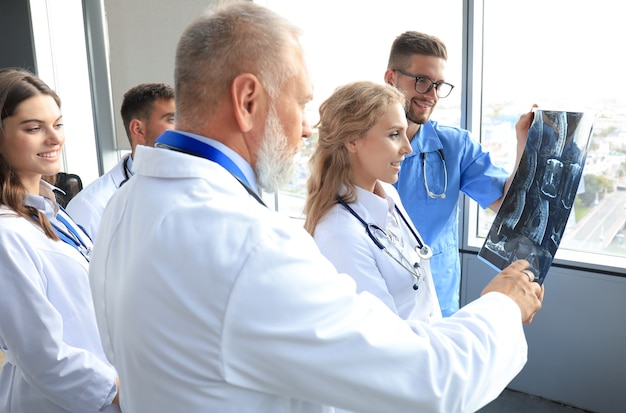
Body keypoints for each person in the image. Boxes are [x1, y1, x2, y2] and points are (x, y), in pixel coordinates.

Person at [88, 2, 544, 413]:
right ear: (248, 100)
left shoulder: (125, 203)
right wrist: (501, 306)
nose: (308, 128)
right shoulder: (251, 246)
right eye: (302, 103)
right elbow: (427, 381)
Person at [384, 31, 535, 316]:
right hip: (380, 299)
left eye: (438, 85)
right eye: (422, 81)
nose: (431, 95)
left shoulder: (455, 146)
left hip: (439, 302)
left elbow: (507, 206)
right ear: (390, 78)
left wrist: (523, 146)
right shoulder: (360, 145)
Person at [0, 68, 120, 412]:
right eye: (34, 128)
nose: (54, 138)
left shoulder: (51, 208)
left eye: (58, 124)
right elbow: (43, 357)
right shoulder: (7, 235)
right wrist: (121, 391)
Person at [304, 81, 441, 326]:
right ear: (352, 140)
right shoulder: (339, 233)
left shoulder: (389, 195)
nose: (407, 148)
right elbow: (386, 337)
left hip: (431, 347)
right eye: (394, 135)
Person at [66, 82, 175, 240]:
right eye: (171, 119)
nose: (183, 128)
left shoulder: (201, 185)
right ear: (138, 129)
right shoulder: (90, 207)